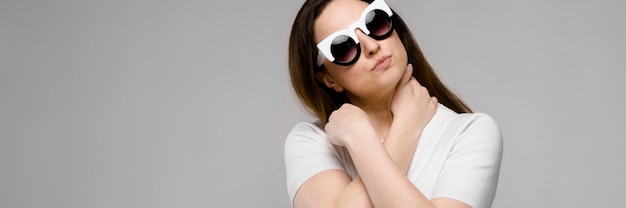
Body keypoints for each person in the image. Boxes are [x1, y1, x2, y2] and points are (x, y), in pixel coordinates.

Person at [284, 0, 503, 207]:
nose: (371, 46)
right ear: (329, 79)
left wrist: (361, 140)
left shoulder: (470, 133)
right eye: (343, 46)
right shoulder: (311, 142)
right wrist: (396, 131)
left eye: (374, 22)